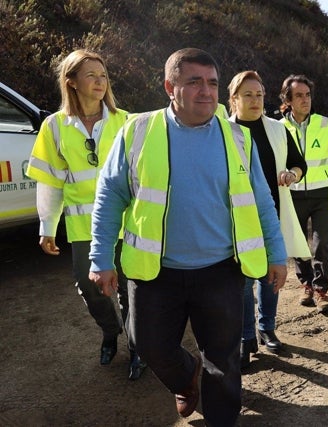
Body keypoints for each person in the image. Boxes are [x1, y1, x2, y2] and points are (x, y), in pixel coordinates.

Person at [88, 48, 287, 424]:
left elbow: (262, 201)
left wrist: (277, 254)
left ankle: (221, 419)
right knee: (147, 344)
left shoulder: (240, 138)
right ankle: (186, 377)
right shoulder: (138, 131)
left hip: (221, 270)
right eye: (194, 82)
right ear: (170, 87)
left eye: (212, 83)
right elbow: (110, 197)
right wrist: (100, 258)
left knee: (224, 359)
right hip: (156, 270)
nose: (206, 91)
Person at [25, 49, 146, 380]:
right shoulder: (54, 127)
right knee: (90, 286)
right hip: (83, 228)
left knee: (131, 288)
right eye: (91, 75)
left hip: (127, 223)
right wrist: (47, 227)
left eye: (103, 75)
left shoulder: (126, 121)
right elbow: (50, 181)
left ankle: (138, 349)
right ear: (71, 82)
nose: (100, 81)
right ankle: (111, 331)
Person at [227, 70, 310, 366]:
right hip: (236, 218)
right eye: (247, 95)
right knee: (241, 280)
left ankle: (268, 329)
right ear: (234, 99)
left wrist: (292, 174)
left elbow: (300, 164)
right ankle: (246, 336)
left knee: (270, 274)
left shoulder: (277, 129)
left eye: (259, 95)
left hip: (272, 213)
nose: (255, 100)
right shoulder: (223, 131)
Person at [279, 75, 328, 313]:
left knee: (321, 244)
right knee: (298, 244)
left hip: (322, 195)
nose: (305, 100)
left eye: (307, 95)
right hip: (292, 194)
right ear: (288, 99)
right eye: (299, 95)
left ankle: (321, 289)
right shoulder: (279, 127)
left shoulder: (326, 124)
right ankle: (305, 284)